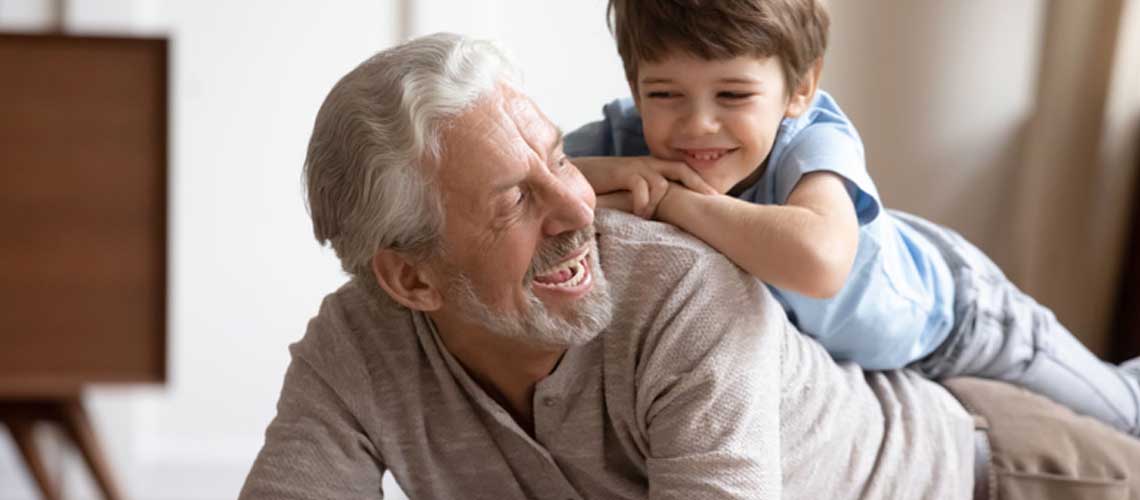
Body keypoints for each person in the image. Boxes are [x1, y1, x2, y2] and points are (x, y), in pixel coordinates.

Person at [239, 33, 1140, 500]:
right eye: (514, 200)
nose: (575, 209)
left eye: (559, 159)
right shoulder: (355, 348)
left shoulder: (685, 293)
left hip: (1008, 475)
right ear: (411, 280)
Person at [565, 0, 1140, 438]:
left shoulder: (813, 139)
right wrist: (610, 171)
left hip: (963, 321)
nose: (697, 125)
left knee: (1119, 413)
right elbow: (518, 181)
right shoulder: (626, 140)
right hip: (873, 353)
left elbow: (818, 263)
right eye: (664, 93)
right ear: (636, 88)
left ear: (801, 88)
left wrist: (671, 200)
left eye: (734, 95)